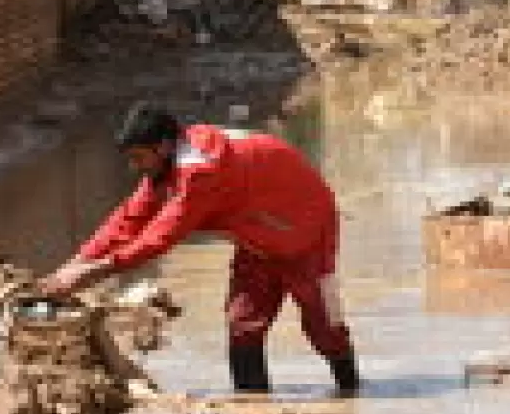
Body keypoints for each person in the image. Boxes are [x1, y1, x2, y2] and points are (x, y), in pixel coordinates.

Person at [38, 102, 360, 396]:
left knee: (325, 326)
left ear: (163, 147)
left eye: (138, 158)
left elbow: (159, 237)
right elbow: (128, 219)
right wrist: (74, 265)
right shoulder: (169, 165)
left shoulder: (201, 172)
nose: (135, 167)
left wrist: (94, 271)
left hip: (308, 234)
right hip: (256, 239)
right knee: (243, 324)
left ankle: (351, 394)